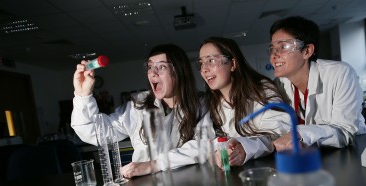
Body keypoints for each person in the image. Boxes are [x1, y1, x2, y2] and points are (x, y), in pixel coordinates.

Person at [71, 44, 209, 178]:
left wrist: (154, 165)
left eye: (161, 67)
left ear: (180, 72)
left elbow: (203, 146)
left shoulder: (200, 104)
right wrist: (82, 95)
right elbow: (95, 133)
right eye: (150, 67)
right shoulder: (138, 106)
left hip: (189, 184)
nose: (153, 73)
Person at [269, 16, 366, 152]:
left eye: (283, 46)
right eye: (272, 48)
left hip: (356, 149)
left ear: (307, 51)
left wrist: (300, 133)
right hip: (315, 152)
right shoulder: (279, 84)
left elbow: (345, 131)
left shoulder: (340, 73)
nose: (274, 55)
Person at [197, 36, 291, 168]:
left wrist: (246, 148)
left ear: (233, 64)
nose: (204, 69)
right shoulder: (212, 103)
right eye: (201, 63)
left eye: (211, 61)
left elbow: (281, 134)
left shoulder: (261, 91)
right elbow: (210, 140)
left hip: (274, 169)